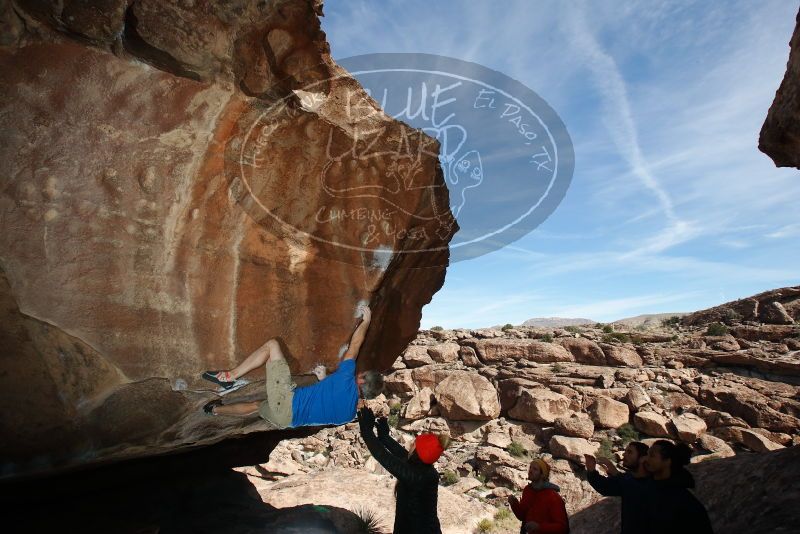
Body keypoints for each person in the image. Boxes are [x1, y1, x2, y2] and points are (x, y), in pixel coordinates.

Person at [201, 304, 384, 428]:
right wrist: (324, 380)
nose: (358, 373)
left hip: (286, 402)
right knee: (256, 406)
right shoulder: (348, 415)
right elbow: (324, 403)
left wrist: (366, 321)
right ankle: (214, 410)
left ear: (361, 380)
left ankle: (229, 378)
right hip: (285, 422)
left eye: (361, 373)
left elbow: (355, 346)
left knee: (272, 346)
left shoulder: (346, 378)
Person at [357, 406, 448, 534]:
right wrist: (384, 436)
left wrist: (366, 431)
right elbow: (401, 454)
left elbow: (383, 456)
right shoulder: (423, 469)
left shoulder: (415, 476)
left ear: (417, 453)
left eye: (414, 444)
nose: (410, 444)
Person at [641, 440, 714, 534]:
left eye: (652, 455)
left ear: (667, 461)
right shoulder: (647, 487)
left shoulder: (683, 501)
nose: (645, 459)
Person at [584, 442, 651, 534]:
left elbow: (632, 487)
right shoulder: (628, 477)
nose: (624, 454)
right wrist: (592, 470)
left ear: (642, 458)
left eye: (630, 452)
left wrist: (613, 469)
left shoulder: (652, 482)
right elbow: (606, 487)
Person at [508, 458, 569, 534]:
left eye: (535, 469)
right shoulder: (527, 490)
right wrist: (514, 504)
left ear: (542, 474)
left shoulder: (552, 496)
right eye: (530, 467)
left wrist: (539, 527)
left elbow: (562, 527)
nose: (530, 471)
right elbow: (522, 516)